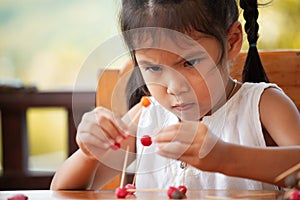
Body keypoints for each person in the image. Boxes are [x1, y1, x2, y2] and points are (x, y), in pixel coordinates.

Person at [50, 0, 300, 191]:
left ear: (232, 41)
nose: (174, 87)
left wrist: (225, 158)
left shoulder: (263, 105)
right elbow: (63, 189)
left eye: (189, 63)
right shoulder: (145, 117)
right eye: (154, 68)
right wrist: (89, 151)